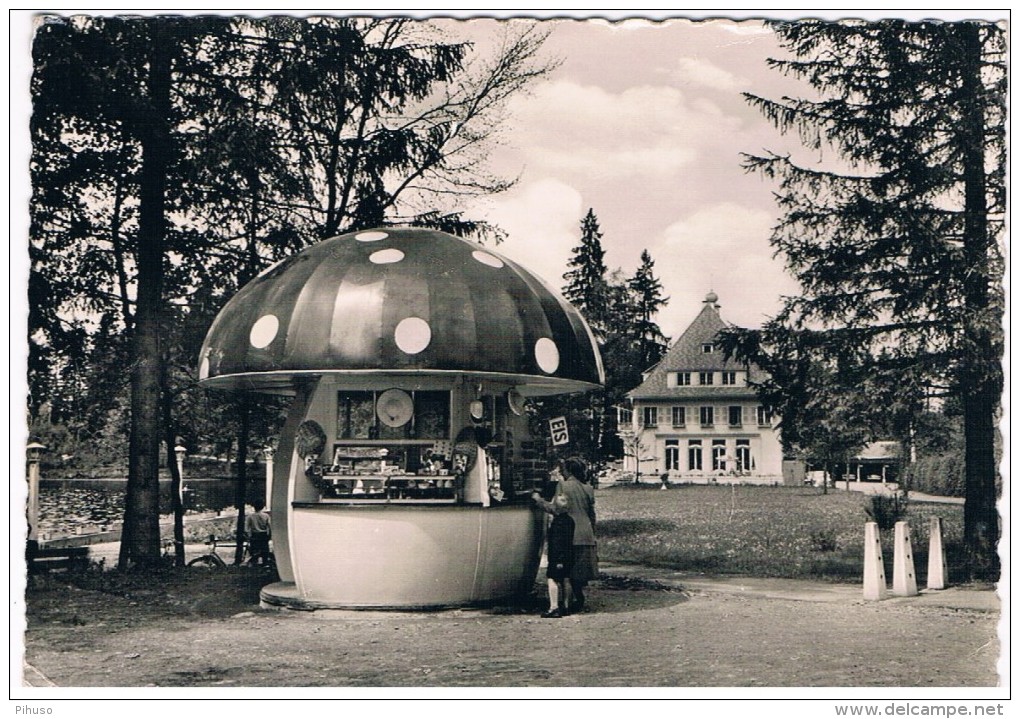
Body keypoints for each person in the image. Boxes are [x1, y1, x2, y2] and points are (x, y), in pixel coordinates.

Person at [535, 456, 598, 612]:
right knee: (578, 572)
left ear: (568, 470)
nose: (561, 472)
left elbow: (556, 508)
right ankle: (576, 599)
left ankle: (563, 605)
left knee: (565, 572)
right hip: (586, 534)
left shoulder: (562, 486)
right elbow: (592, 515)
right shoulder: (588, 488)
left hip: (568, 533)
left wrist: (539, 501)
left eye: (563, 469)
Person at [532, 492, 574, 618]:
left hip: (557, 556)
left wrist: (558, 560)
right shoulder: (570, 520)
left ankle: (554, 607)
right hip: (569, 555)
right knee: (566, 579)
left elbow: (557, 543)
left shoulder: (557, 524)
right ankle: (567, 606)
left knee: (552, 579)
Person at [244, 500, 272, 567]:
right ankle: (265, 563)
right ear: (262, 507)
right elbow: (270, 526)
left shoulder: (250, 516)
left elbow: (246, 528)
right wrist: (269, 535)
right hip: (263, 534)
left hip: (255, 534)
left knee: (254, 550)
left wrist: (248, 535)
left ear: (254, 507)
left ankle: (254, 563)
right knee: (264, 550)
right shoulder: (266, 516)